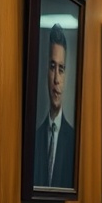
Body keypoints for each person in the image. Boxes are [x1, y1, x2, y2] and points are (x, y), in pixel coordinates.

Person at [33, 23, 76, 188]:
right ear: (46, 71)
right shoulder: (35, 138)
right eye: (52, 67)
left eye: (61, 69)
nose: (57, 79)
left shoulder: (73, 140)